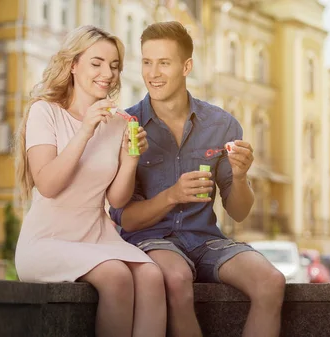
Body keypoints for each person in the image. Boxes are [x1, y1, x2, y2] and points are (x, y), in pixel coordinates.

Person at [109, 21, 285, 337]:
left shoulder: (222, 125)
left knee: (271, 282)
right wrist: (172, 196)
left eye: (164, 63)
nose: (153, 73)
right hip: (152, 240)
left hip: (206, 241)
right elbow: (128, 220)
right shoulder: (127, 126)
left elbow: (240, 211)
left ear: (186, 66)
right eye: (147, 62)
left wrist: (242, 177)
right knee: (176, 281)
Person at [13, 25, 166, 337]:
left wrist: (130, 158)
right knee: (116, 276)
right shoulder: (44, 112)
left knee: (151, 275)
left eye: (114, 66)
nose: (107, 73)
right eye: (96, 63)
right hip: (47, 241)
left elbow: (118, 200)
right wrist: (85, 130)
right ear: (73, 65)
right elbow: (49, 185)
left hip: (96, 237)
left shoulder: (118, 122)